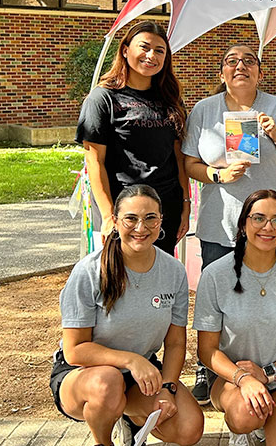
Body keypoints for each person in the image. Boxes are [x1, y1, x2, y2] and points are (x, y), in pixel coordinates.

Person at [182, 43, 276, 404]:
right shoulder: (205, 110)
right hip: (220, 224)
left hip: (267, 227)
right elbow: (188, 164)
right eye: (231, 61)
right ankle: (211, 369)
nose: (240, 67)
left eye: (249, 61)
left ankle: (268, 367)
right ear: (221, 73)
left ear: (260, 73)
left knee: (265, 296)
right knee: (217, 298)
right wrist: (218, 175)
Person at [50, 184, 204, 446]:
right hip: (84, 375)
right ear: (116, 221)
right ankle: (104, 441)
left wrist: (167, 387)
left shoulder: (174, 272)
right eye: (131, 218)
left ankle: (128, 418)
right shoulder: (88, 271)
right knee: (108, 383)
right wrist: (130, 360)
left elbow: (176, 342)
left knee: (189, 427)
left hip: (140, 373)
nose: (141, 228)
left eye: (150, 218)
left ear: (161, 221)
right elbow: (74, 350)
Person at [194, 190, 276, 446]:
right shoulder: (215, 275)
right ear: (243, 224)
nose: (268, 227)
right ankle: (248, 429)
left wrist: (267, 373)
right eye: (259, 218)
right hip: (231, 379)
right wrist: (243, 379)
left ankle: (271, 423)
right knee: (244, 415)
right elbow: (206, 350)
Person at [76, 21, 190, 256]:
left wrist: (185, 206)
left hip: (165, 208)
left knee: (160, 278)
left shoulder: (171, 100)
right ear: (125, 50)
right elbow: (94, 162)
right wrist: (108, 216)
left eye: (160, 51)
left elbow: (179, 158)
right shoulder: (103, 99)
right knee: (122, 283)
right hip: (125, 211)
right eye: (144, 47)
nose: (152, 56)